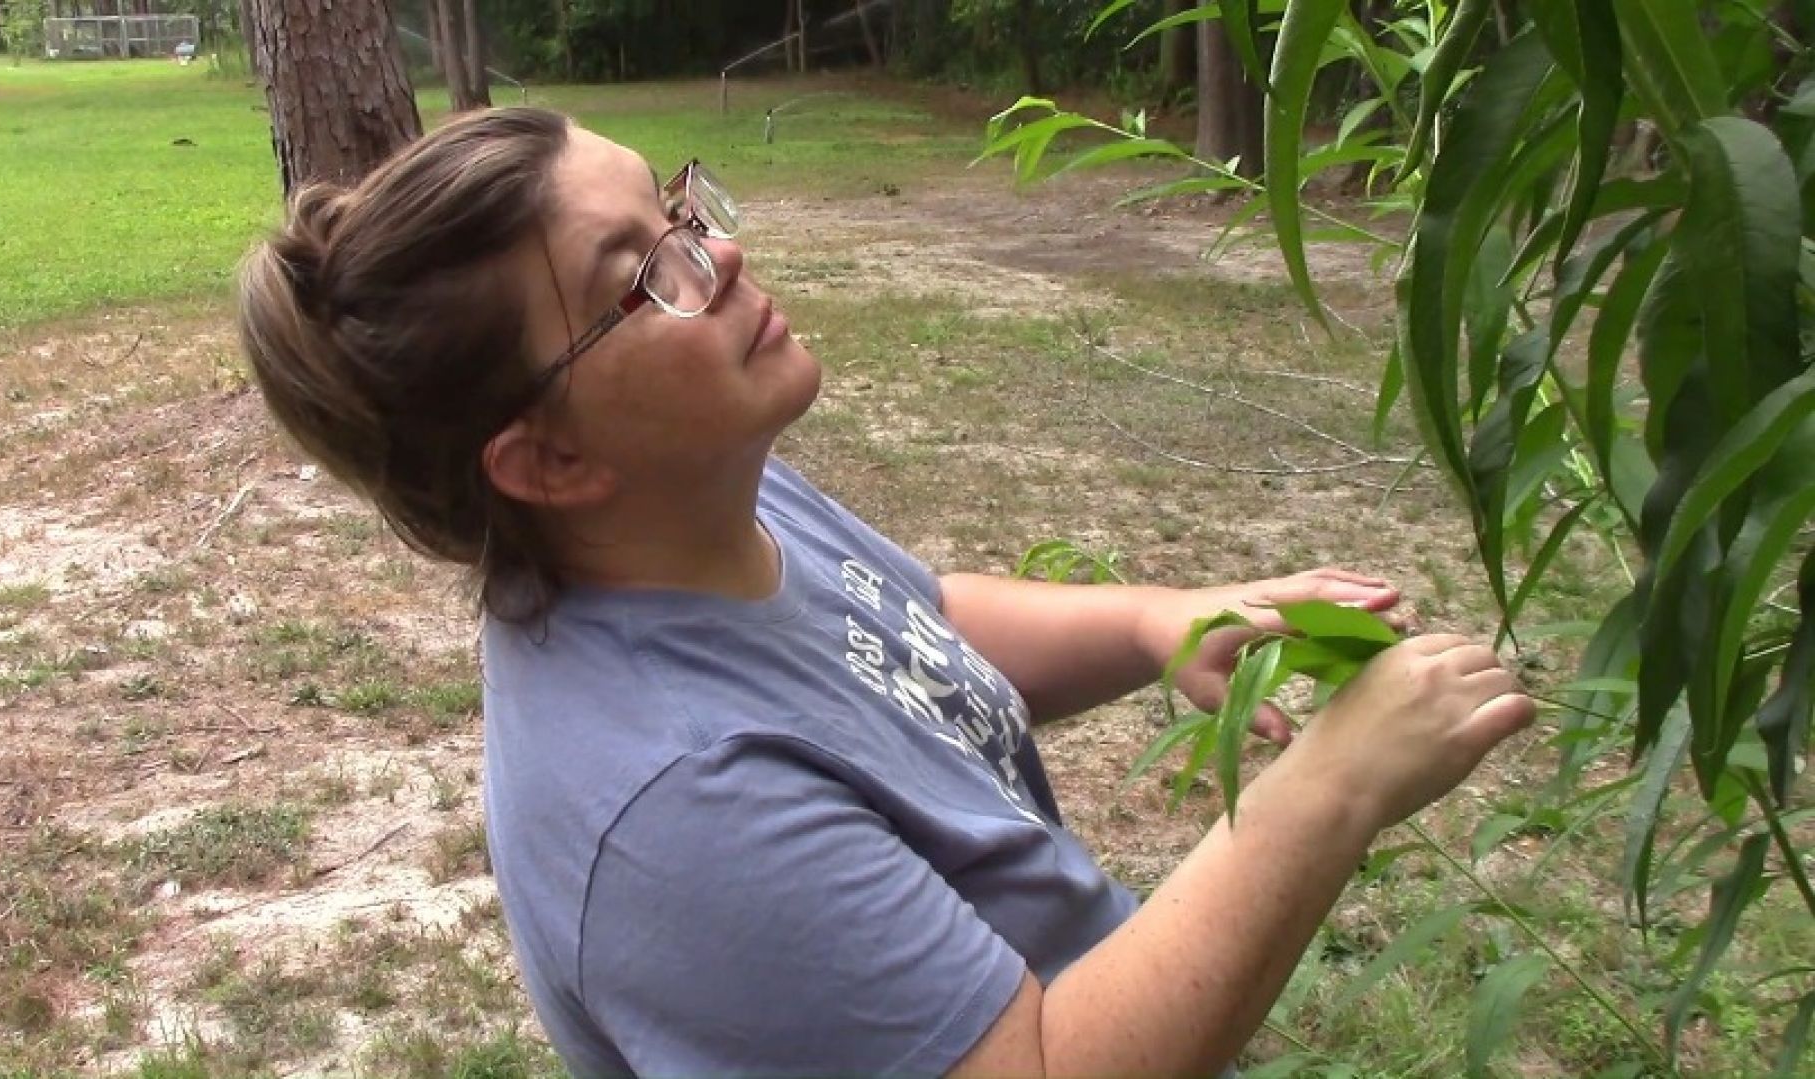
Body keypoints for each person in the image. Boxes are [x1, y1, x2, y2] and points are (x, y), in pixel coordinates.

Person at [236, 108, 1535, 1077]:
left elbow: (906, 624)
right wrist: (1332, 788)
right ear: (551, 461)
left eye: (678, 210)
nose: (723, 257)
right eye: (641, 278)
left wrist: (1154, 622)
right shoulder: (674, 811)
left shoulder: (697, 500)